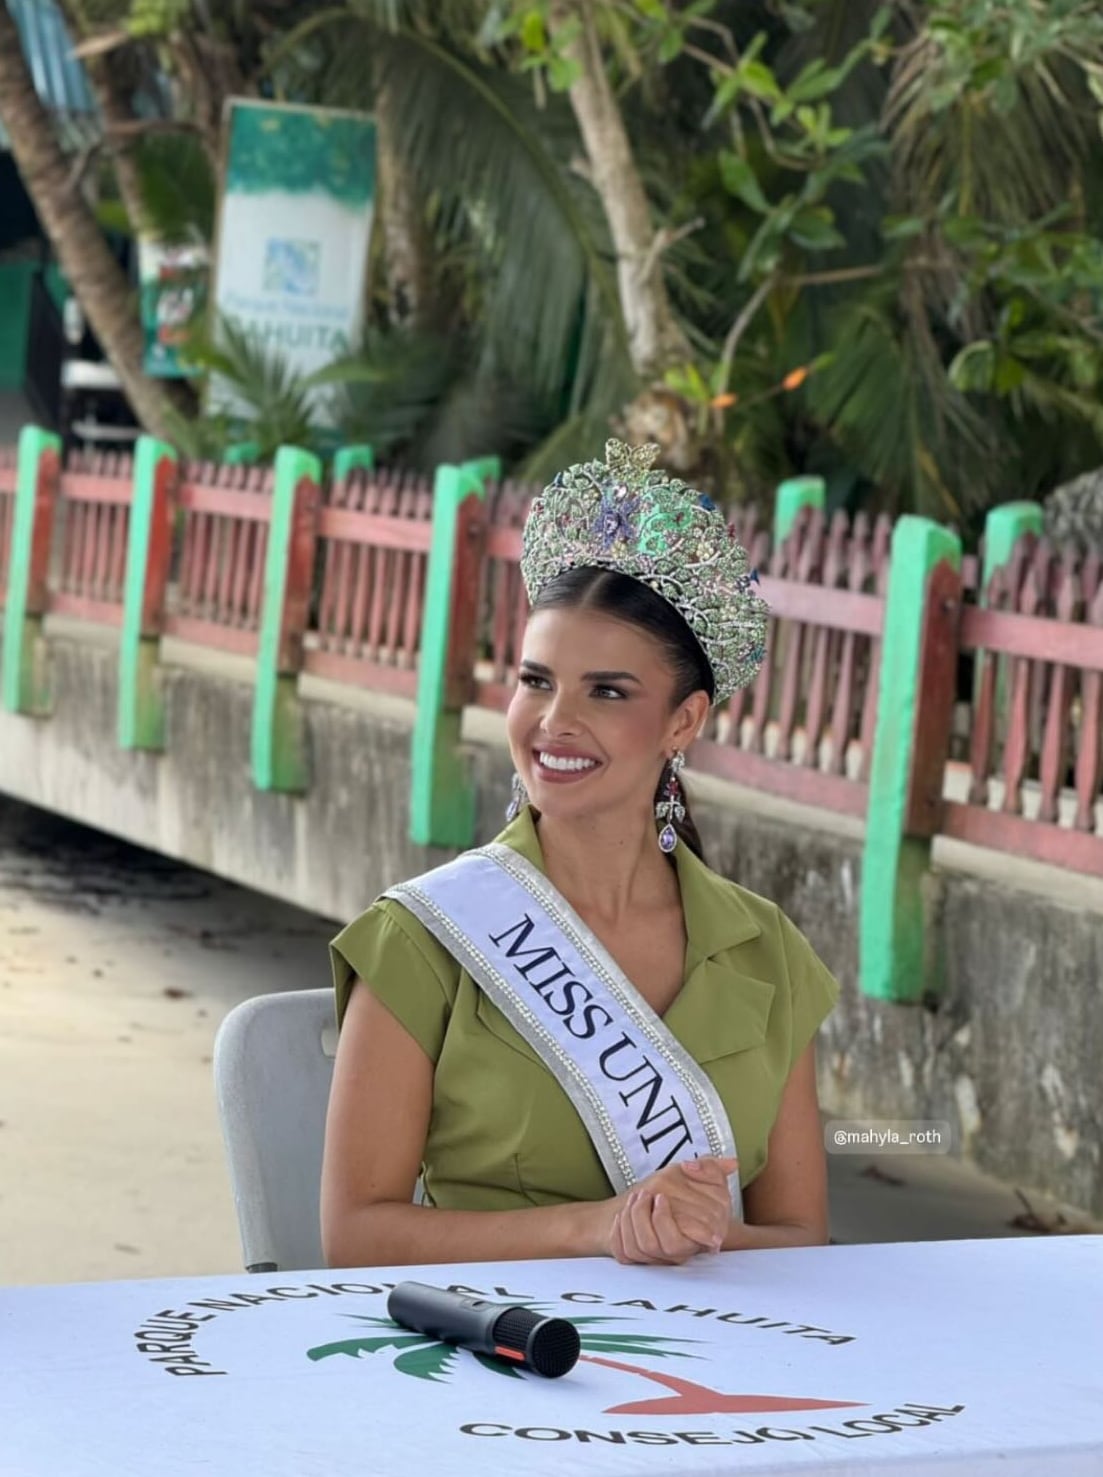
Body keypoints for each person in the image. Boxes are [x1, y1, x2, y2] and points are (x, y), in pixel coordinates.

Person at [321, 439, 839, 1269]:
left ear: (684, 721)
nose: (553, 721)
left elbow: (802, 1242)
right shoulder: (425, 936)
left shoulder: (764, 950)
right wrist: (598, 1226)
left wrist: (683, 1230)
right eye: (535, 681)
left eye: (606, 691)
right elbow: (356, 1236)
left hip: (726, 1359)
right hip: (500, 1351)